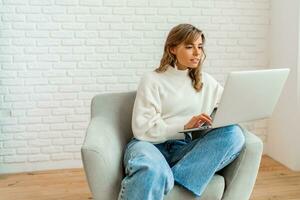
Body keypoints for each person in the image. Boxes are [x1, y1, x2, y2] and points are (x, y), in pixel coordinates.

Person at [118, 24, 245, 200]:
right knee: (150, 169)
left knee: (235, 135)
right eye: (189, 47)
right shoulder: (153, 80)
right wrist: (183, 125)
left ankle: (169, 175)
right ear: (172, 49)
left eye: (200, 47)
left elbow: (232, 104)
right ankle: (160, 172)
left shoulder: (206, 82)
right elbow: (142, 130)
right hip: (148, 146)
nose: (197, 53)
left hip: (182, 150)